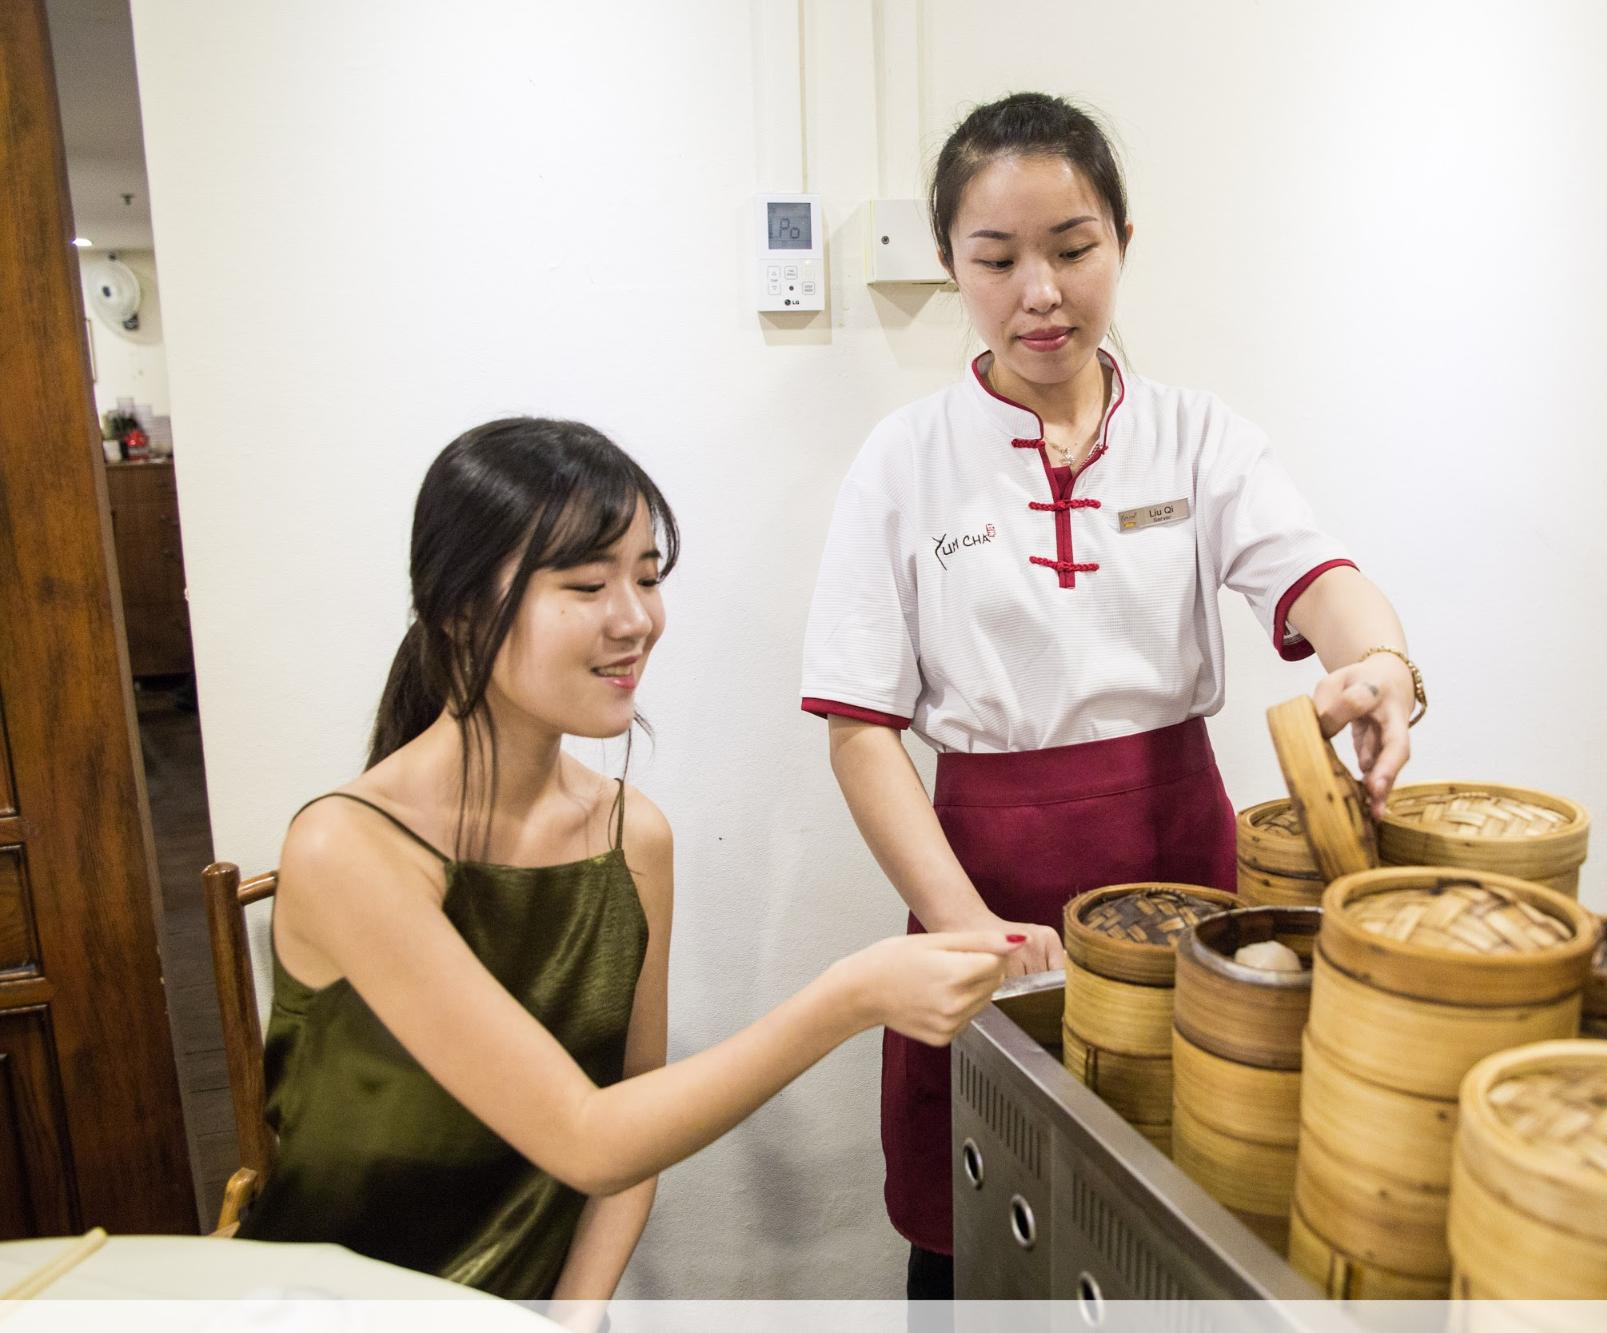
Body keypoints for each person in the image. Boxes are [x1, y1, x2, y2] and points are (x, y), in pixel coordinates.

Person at [799, 93, 1423, 1298]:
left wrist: (1383, 661)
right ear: (950, 267)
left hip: (1183, 862)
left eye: (1073, 249)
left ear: (1122, 241)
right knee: (981, 1235)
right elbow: (861, 732)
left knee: (1182, 1223)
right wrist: (965, 919)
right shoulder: (903, 462)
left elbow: (1317, 578)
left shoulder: (1197, 440)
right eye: (997, 258)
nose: (1041, 291)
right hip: (976, 881)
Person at [241, 418, 1023, 1302]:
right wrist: (851, 997)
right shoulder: (350, 847)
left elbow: (632, 1123)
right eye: (586, 583)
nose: (636, 618)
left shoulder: (631, 835)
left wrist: (574, 1318)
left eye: (647, 577)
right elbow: (588, 1136)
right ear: (459, 608)